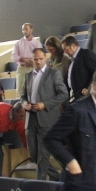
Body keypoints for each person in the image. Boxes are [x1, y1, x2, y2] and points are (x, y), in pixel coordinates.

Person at [21, 48, 68, 181]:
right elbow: (23, 96)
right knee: (33, 154)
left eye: (41, 59)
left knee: (43, 156)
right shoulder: (28, 76)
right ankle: (56, 177)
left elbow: (64, 94)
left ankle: (40, 184)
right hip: (31, 118)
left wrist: (45, 104)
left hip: (47, 119)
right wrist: (24, 104)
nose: (38, 62)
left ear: (46, 58)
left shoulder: (54, 74)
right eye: (35, 59)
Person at [61, 35, 96, 102]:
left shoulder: (86, 53)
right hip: (76, 94)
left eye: (65, 49)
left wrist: (89, 88)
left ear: (73, 46)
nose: (65, 52)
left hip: (84, 95)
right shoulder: (72, 59)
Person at [12, 23, 43, 95]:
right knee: (20, 91)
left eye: (26, 29)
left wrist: (33, 61)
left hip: (34, 68)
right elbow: (13, 56)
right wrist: (23, 59)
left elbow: (41, 55)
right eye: (23, 29)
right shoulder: (18, 43)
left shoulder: (37, 43)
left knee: (35, 90)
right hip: (22, 68)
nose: (24, 31)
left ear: (31, 30)